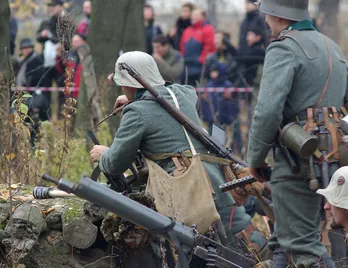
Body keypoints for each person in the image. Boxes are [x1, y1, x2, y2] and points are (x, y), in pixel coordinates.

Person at [89, 51, 267, 263]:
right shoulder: (183, 94)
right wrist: (135, 97)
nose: (121, 88)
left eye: (122, 85)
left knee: (209, 255)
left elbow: (115, 164)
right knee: (240, 241)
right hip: (217, 183)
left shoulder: (136, 113)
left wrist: (104, 154)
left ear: (130, 84)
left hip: (186, 194)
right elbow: (175, 91)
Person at [246, 0, 348, 267]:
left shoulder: (284, 47)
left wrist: (255, 160)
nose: (265, 19)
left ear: (274, 12)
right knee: (283, 243)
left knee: (303, 247)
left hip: (297, 165)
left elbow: (268, 112)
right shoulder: (333, 47)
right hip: (333, 161)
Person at [180, 8, 216, 86]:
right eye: (192, 15)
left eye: (196, 15)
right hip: (187, 66)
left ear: (203, 17)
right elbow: (182, 47)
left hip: (200, 67)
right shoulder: (187, 30)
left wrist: (201, 60)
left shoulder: (208, 29)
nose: (193, 17)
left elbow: (209, 46)